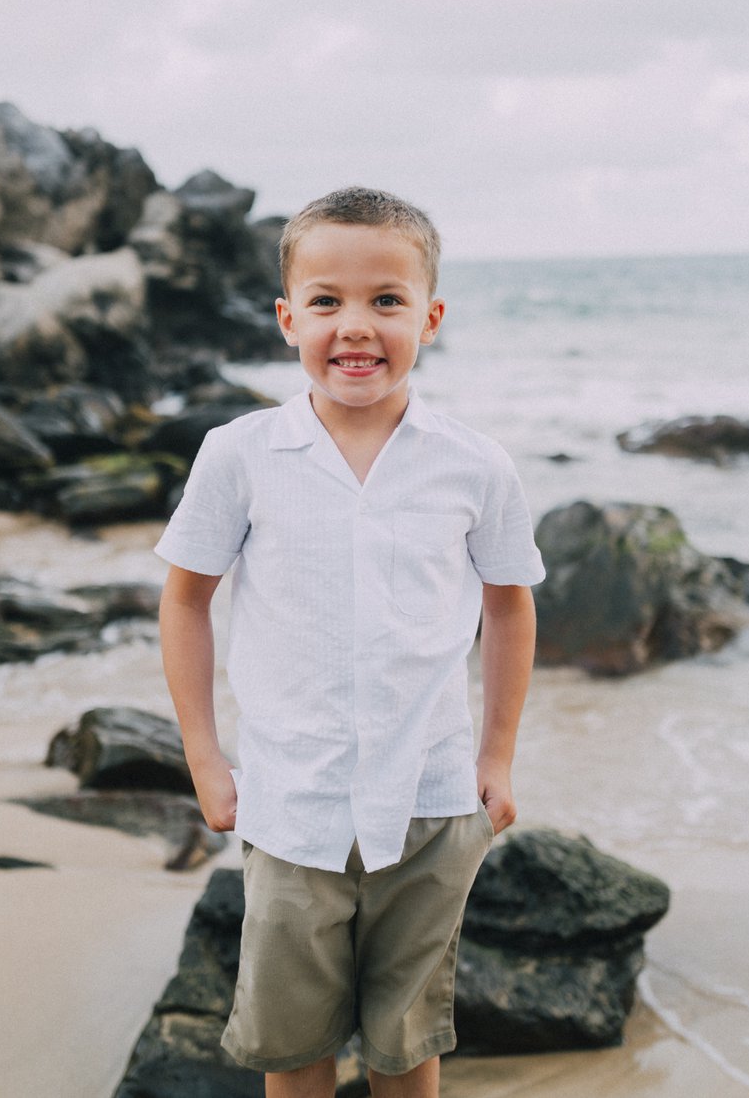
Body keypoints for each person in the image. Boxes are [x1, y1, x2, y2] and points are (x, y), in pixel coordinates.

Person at [155, 186, 545, 1098]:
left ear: (430, 318)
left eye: (386, 300)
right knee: (293, 1046)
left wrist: (496, 756)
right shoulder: (241, 454)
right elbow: (185, 602)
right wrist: (205, 758)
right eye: (326, 300)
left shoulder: (474, 463)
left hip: (433, 802)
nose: (356, 326)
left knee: (407, 1042)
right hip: (292, 802)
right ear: (288, 317)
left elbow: (510, 606)